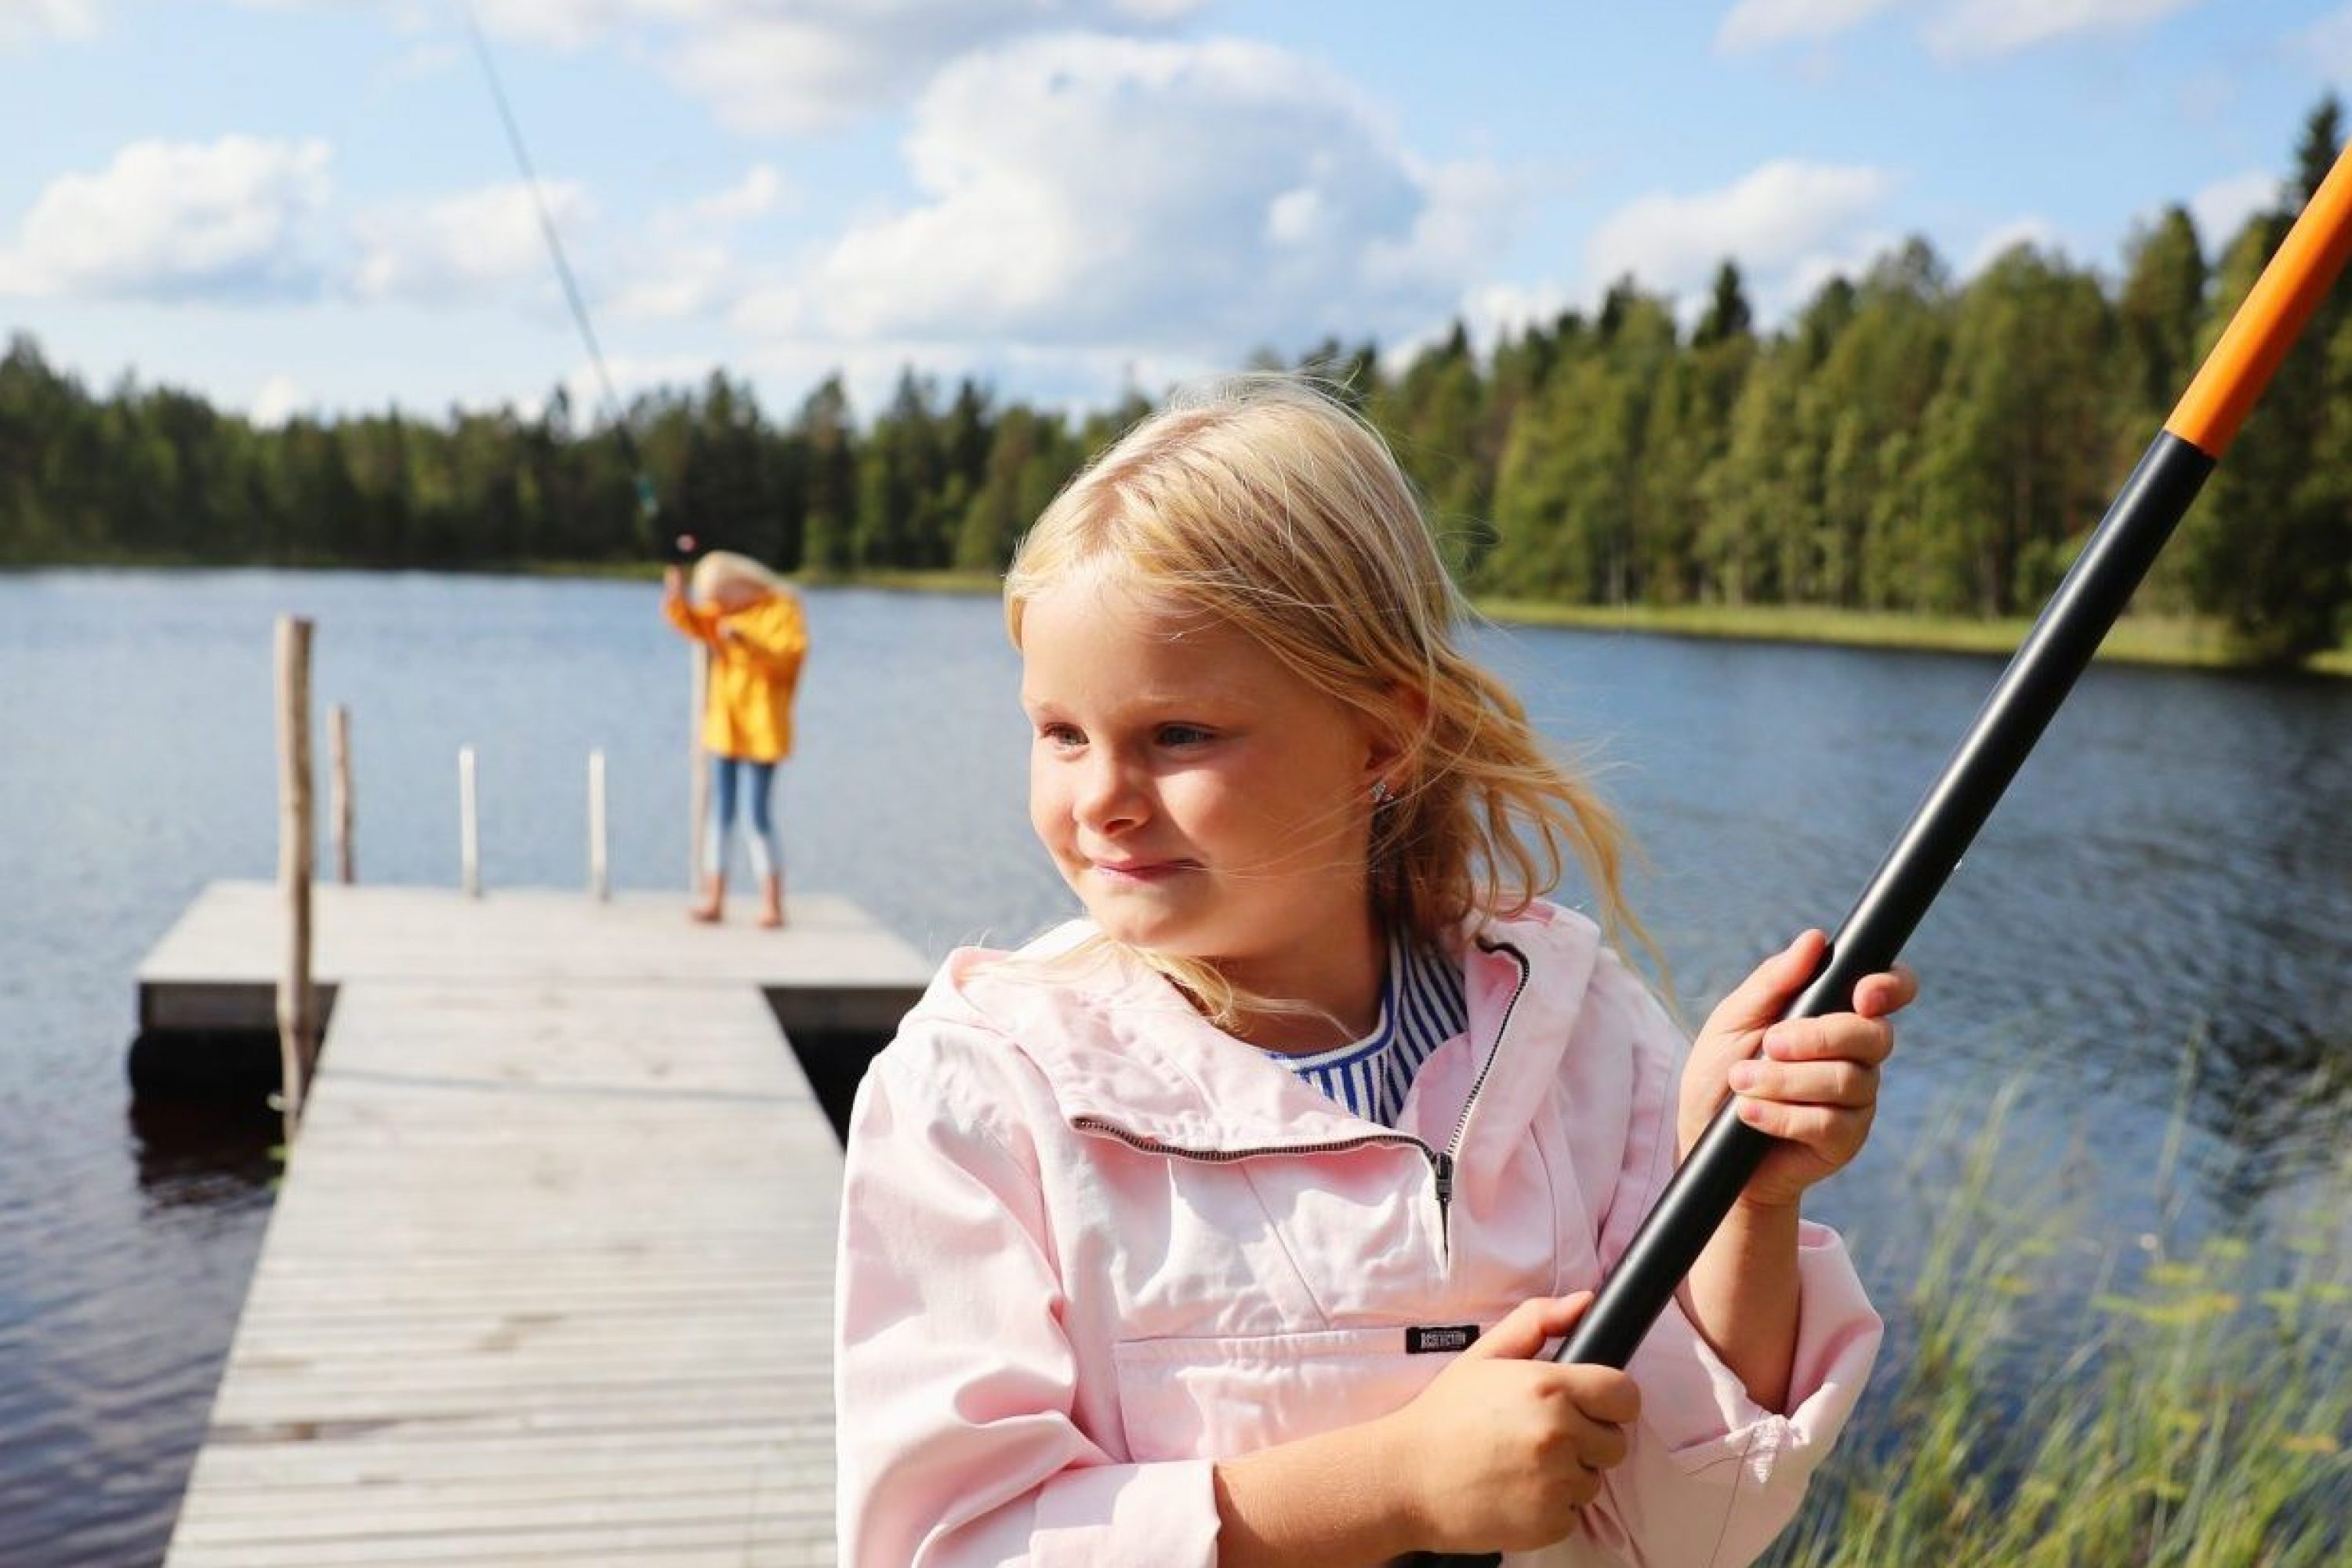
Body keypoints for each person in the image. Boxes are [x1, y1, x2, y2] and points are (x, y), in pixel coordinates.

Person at [833, 376, 1912, 1566]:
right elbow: (948, 1544)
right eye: (1061, 733)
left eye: (1177, 736)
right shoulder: (981, 1089)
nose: (1100, 801)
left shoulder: (1579, 1027)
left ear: (1381, 739)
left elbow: (1691, 1530)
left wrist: (1745, 1200)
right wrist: (1392, 1486)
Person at [662, 549, 808, 927]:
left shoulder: (783, 609)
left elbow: (789, 659)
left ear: (741, 585)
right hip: (726, 728)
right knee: (720, 816)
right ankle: (715, 900)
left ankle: (773, 905)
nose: (719, 607)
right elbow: (691, 623)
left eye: (723, 597)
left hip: (763, 731)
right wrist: (676, 596)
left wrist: (746, 643)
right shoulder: (722, 614)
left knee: (757, 816)